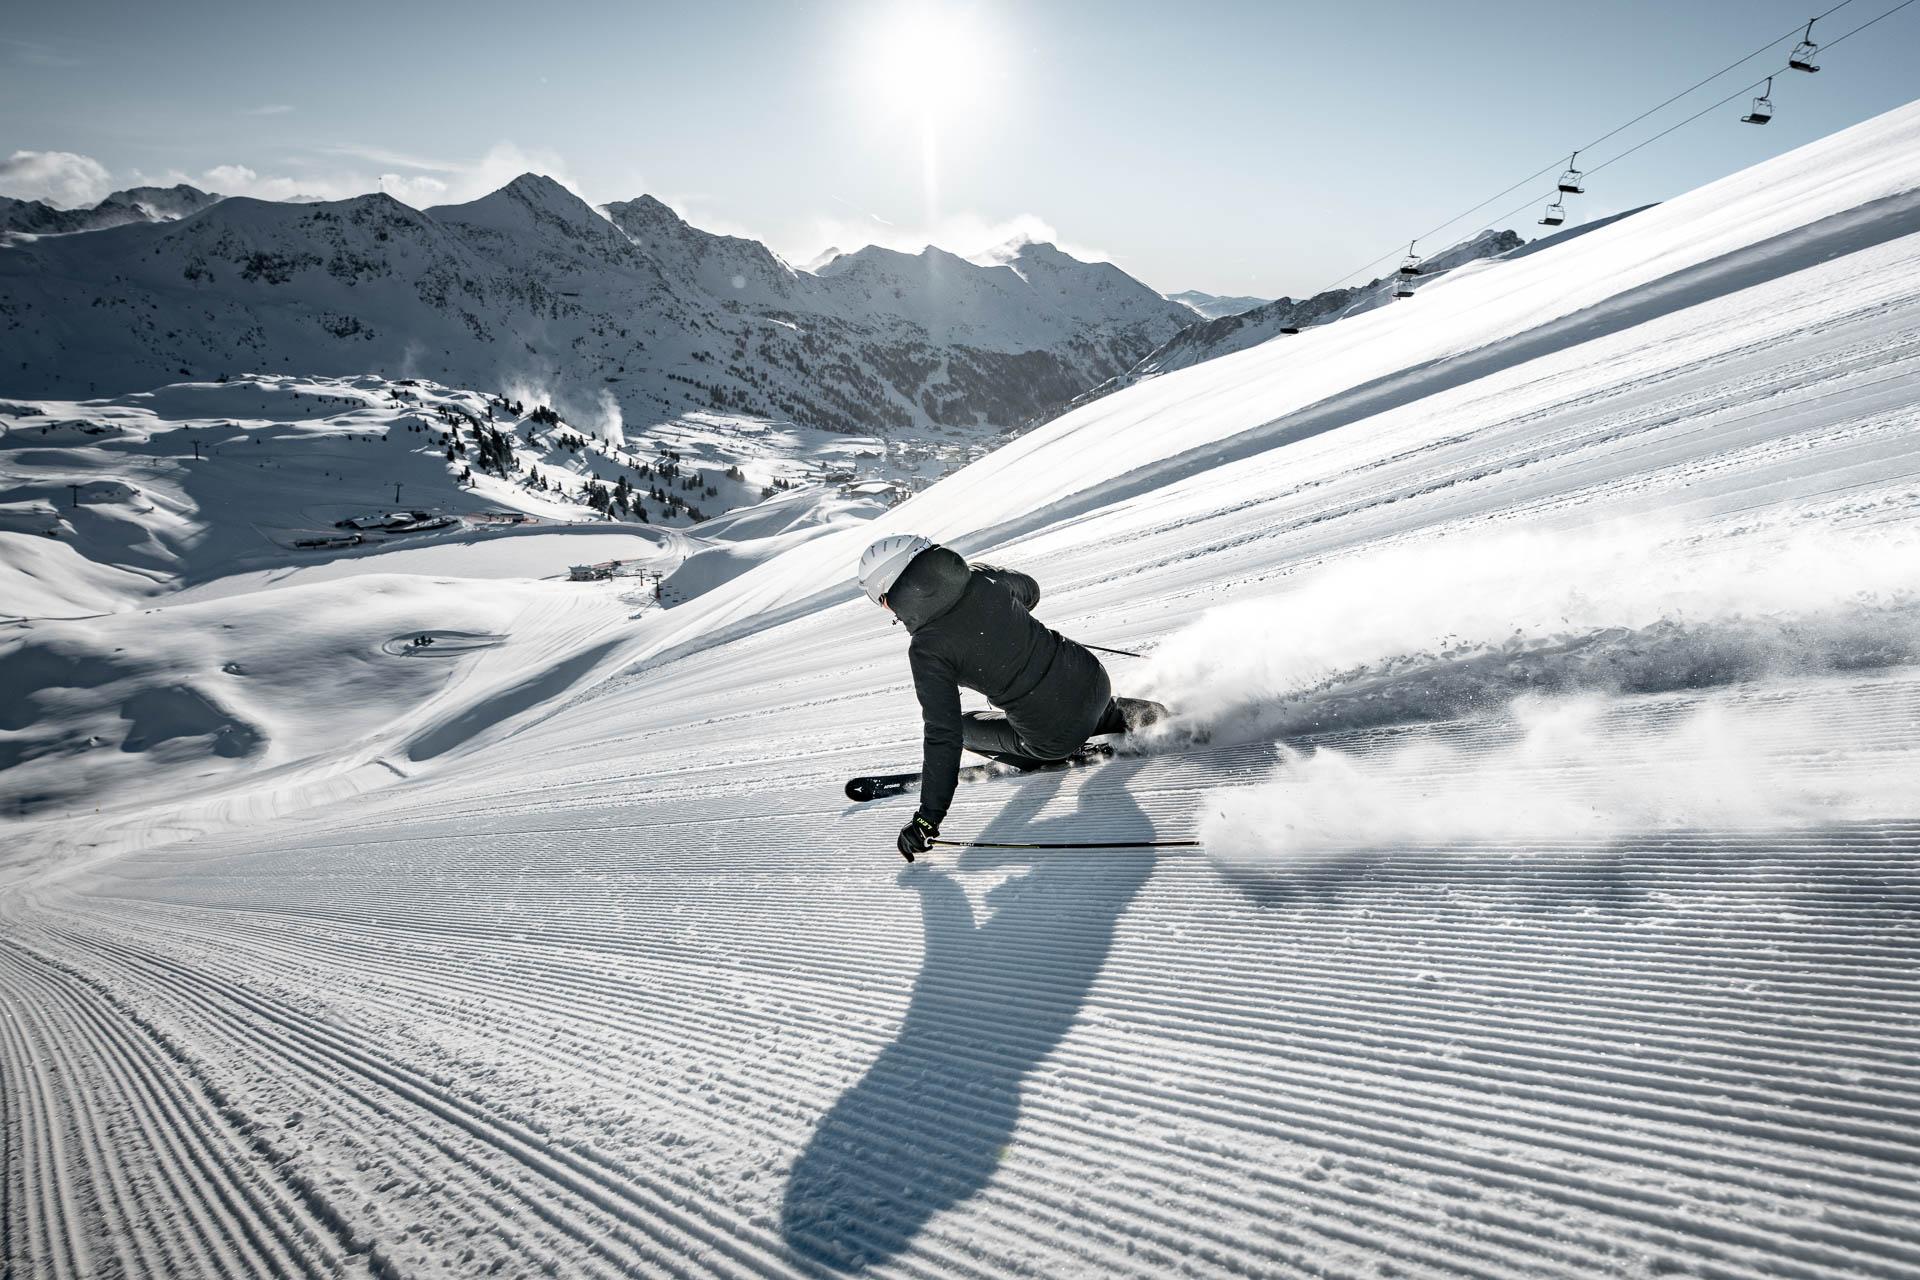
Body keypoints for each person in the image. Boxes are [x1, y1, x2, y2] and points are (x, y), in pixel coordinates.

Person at [858, 534, 1165, 861]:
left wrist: (927, 818)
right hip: (1092, 678)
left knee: (965, 728)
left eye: (880, 600)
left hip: (1052, 731)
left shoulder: (927, 649)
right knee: (1077, 702)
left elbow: (943, 734)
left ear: (890, 593)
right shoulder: (979, 577)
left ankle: (1053, 754)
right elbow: (1030, 591)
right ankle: (1136, 715)